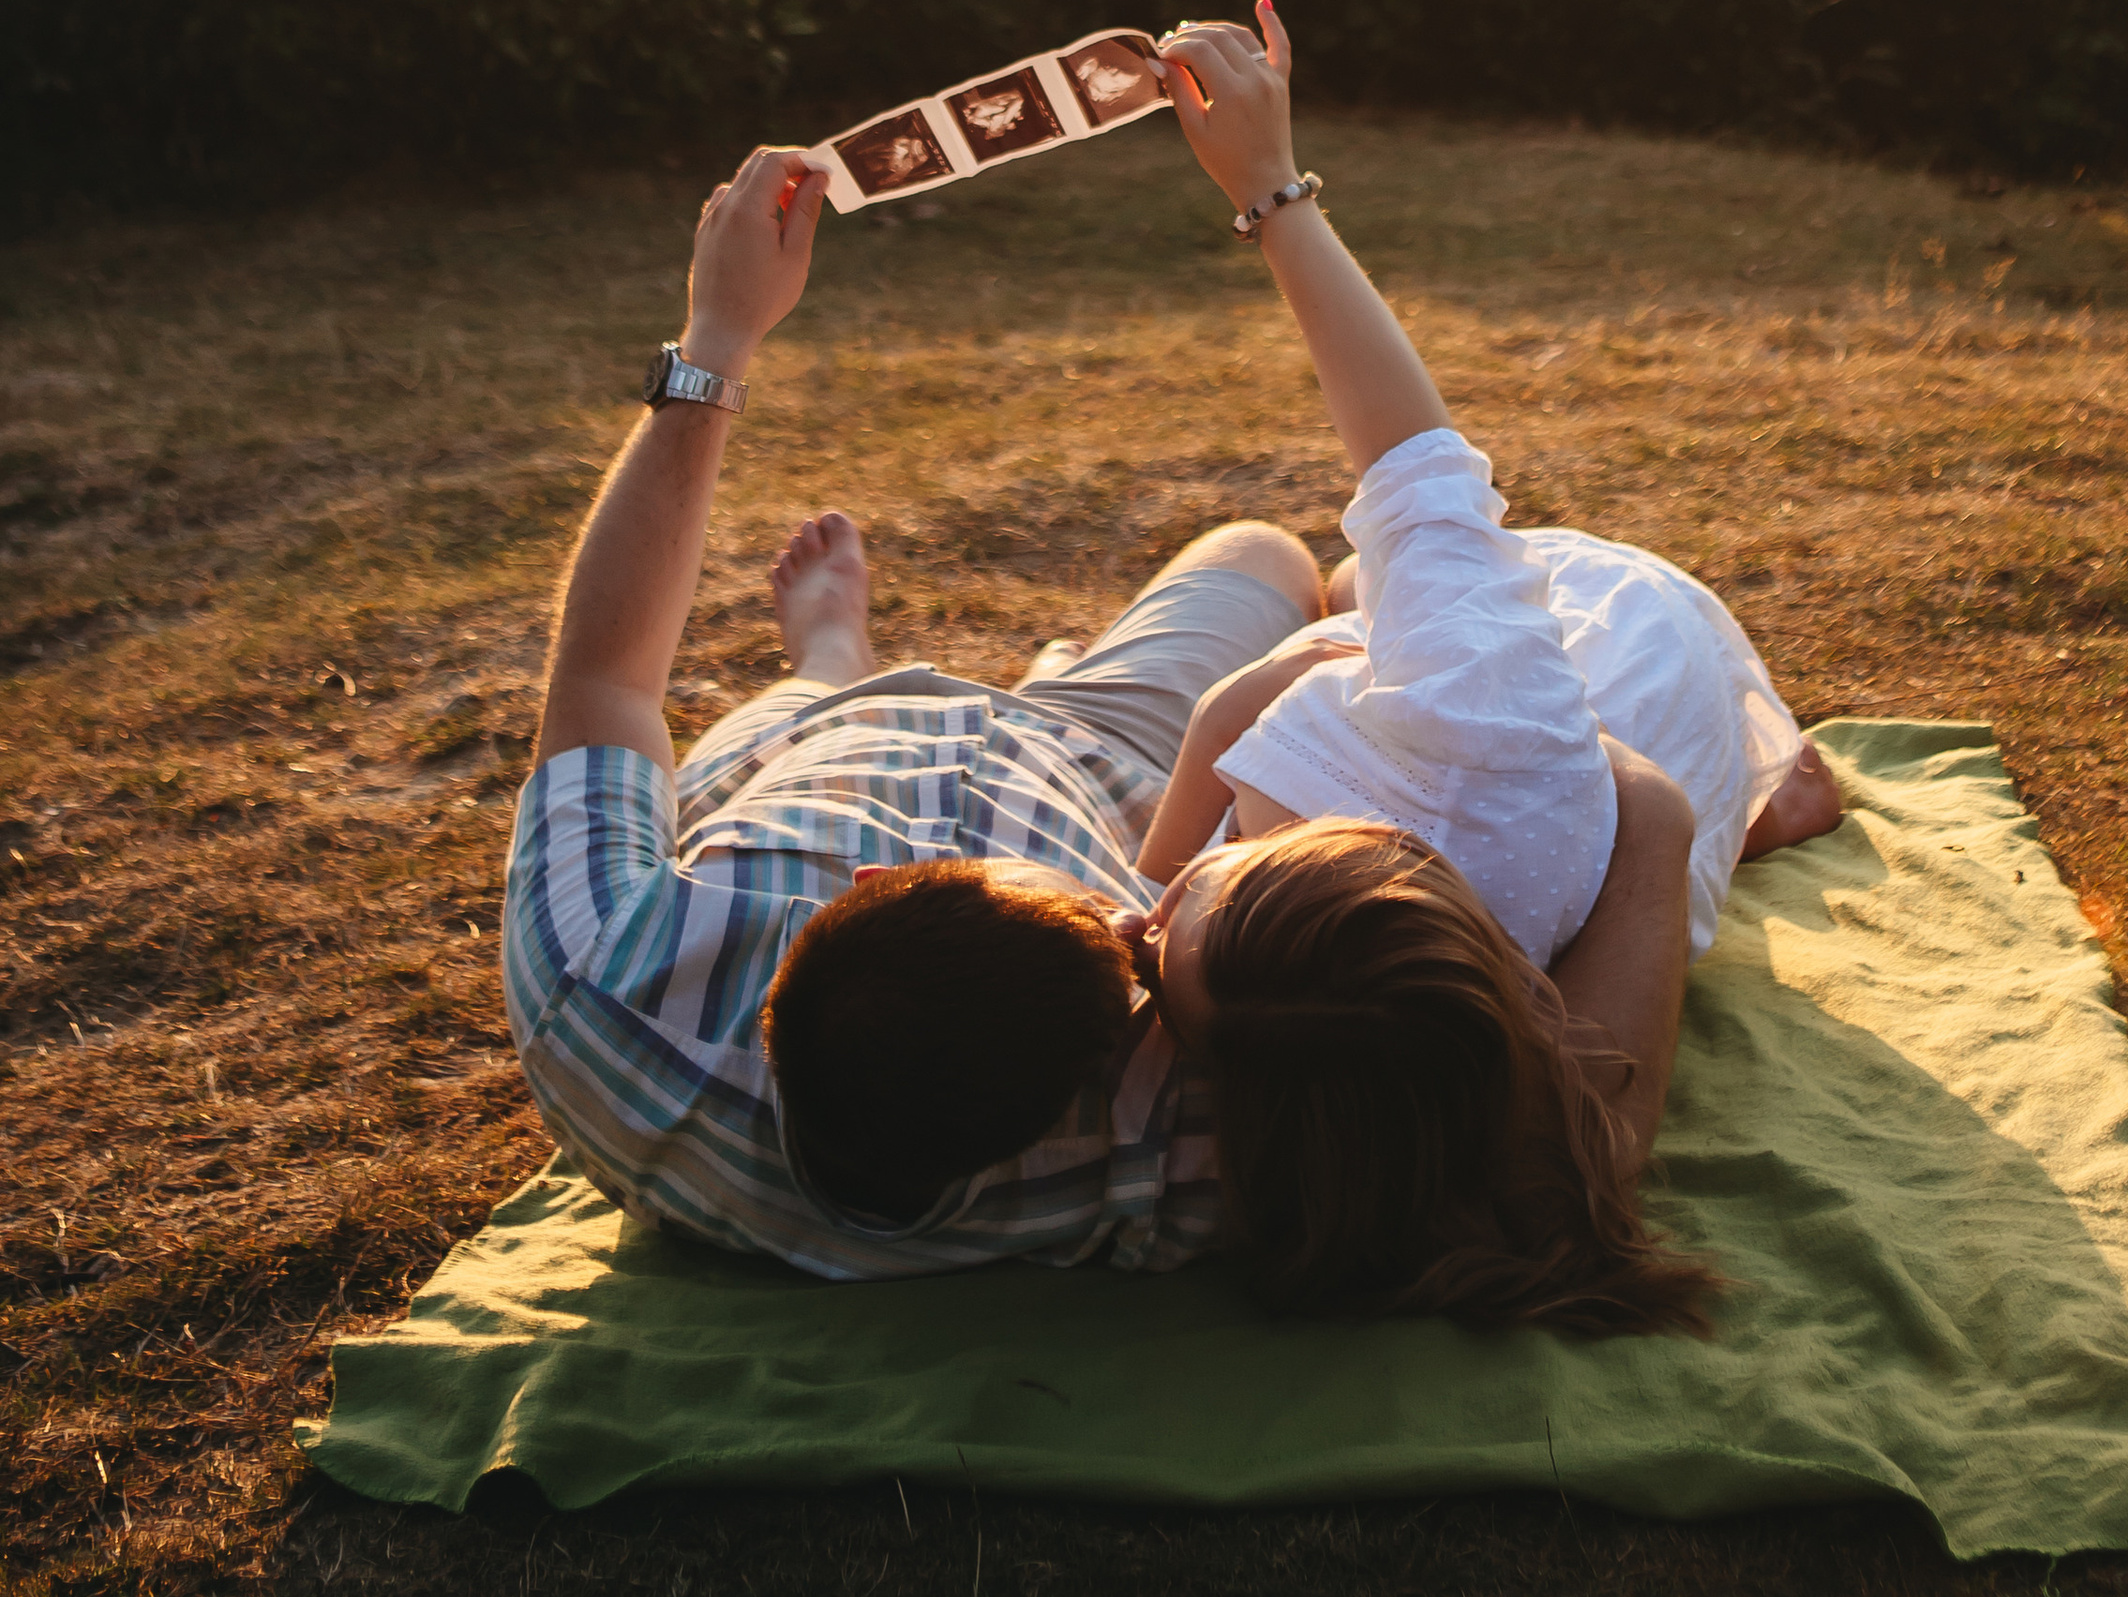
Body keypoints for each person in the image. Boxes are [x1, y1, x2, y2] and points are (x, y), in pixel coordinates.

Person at [500, 130, 1700, 1287]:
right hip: (1089, 760)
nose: (1141, 911)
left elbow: (607, 679)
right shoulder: (1183, 1136)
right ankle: (867, 670)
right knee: (1264, 556)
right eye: (1129, 943)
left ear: (871, 883)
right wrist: (1646, 816)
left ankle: (832, 667)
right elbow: (1572, 1151)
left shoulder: (599, 983)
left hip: (823, 758)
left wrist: (717, 335)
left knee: (1229, 569)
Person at [1114, 0, 1843, 1331]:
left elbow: (1249, 727)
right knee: (1661, 778)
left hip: (1526, 745)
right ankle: (1772, 778)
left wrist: (1161, 871)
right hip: (1619, 655)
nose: (1142, 923)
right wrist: (1271, 191)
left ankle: (1748, 771)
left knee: (1361, 615)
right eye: (1177, 919)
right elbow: (1415, 478)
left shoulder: (1328, 1064)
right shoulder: (1481, 737)